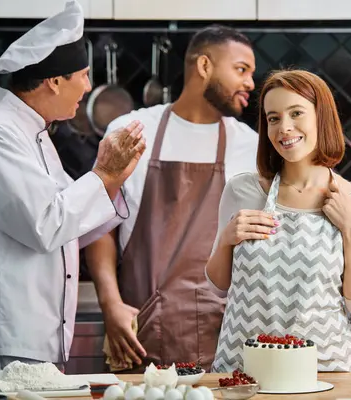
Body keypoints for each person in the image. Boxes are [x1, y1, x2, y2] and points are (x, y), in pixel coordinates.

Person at [0, 0, 146, 372]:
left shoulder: (33, 132)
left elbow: (76, 221)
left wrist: (115, 178)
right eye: (82, 75)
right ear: (54, 81)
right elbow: (45, 224)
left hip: (25, 339)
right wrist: (104, 175)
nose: (87, 86)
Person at [85, 25, 259, 372]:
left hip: (223, 336)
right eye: (241, 70)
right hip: (140, 333)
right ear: (205, 66)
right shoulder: (134, 130)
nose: (251, 84)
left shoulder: (250, 145)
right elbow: (99, 224)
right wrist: (110, 303)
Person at [206, 69, 351, 373]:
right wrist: (226, 240)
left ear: (322, 117)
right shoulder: (242, 191)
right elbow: (218, 287)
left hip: (325, 378)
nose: (284, 128)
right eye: (274, 118)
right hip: (245, 376)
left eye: (296, 113)